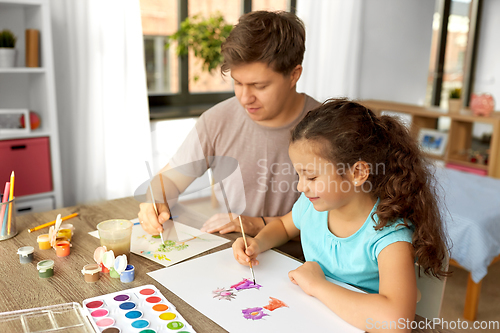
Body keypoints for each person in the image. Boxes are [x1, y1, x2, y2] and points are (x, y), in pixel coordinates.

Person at [232, 99, 449, 332]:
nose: (300, 187)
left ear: (357, 173)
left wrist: (318, 286)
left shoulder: (389, 234)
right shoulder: (312, 206)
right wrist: (257, 243)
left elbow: (397, 322)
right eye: (299, 175)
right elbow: (284, 227)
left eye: (311, 177)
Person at [138, 11, 321, 240]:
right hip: (230, 253)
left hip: (303, 260)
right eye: (237, 82)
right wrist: (154, 201)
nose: (245, 98)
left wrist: (259, 224)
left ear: (294, 75)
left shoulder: (327, 127)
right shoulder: (217, 119)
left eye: (259, 86)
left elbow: (343, 213)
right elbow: (170, 179)